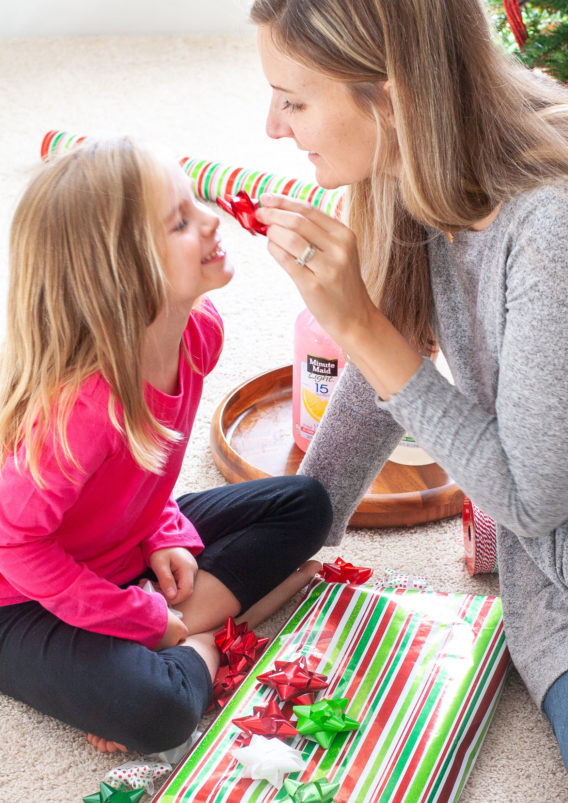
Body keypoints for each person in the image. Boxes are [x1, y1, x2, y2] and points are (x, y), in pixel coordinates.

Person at [249, 0, 568, 803]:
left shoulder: (559, 222)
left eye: (292, 100)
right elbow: (387, 371)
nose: (273, 128)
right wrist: (299, 538)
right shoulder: (415, 163)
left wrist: (356, 322)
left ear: (389, 94)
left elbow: (524, 494)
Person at [0, 137, 332, 756]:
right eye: (181, 221)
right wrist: (146, 621)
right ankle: (206, 640)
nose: (213, 219)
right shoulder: (77, 412)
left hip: (117, 548)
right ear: (122, 274)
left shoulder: (198, 333)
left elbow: (146, 483)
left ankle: (183, 634)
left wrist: (163, 533)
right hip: (20, 596)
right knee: (157, 712)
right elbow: (16, 544)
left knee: (307, 502)